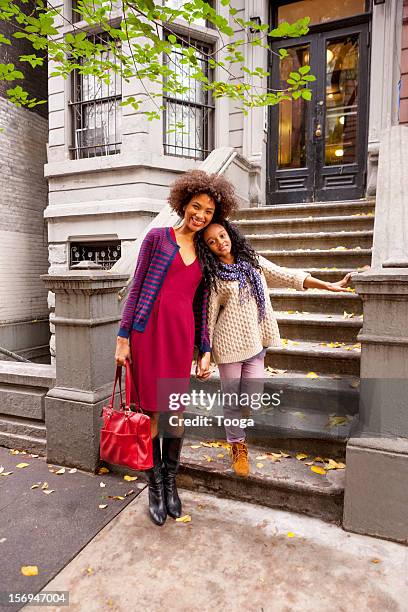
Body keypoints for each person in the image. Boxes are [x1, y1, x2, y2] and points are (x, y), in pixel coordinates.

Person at [114, 170, 238, 526]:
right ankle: (154, 487)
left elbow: (203, 305)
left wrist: (204, 347)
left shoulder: (206, 250)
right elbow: (137, 287)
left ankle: (172, 484)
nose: (200, 215)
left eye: (208, 212)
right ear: (183, 204)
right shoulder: (157, 238)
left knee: (175, 413)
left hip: (179, 337)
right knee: (153, 413)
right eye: (195, 206)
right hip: (147, 333)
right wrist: (123, 338)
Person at [196, 219, 352, 477]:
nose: (220, 243)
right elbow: (209, 316)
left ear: (230, 233)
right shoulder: (214, 277)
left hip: (256, 343)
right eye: (212, 242)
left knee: (252, 397)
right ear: (208, 249)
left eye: (222, 236)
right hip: (228, 346)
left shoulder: (253, 262)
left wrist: (328, 285)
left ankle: (238, 431)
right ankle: (238, 446)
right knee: (233, 400)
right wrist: (204, 354)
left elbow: (287, 275)